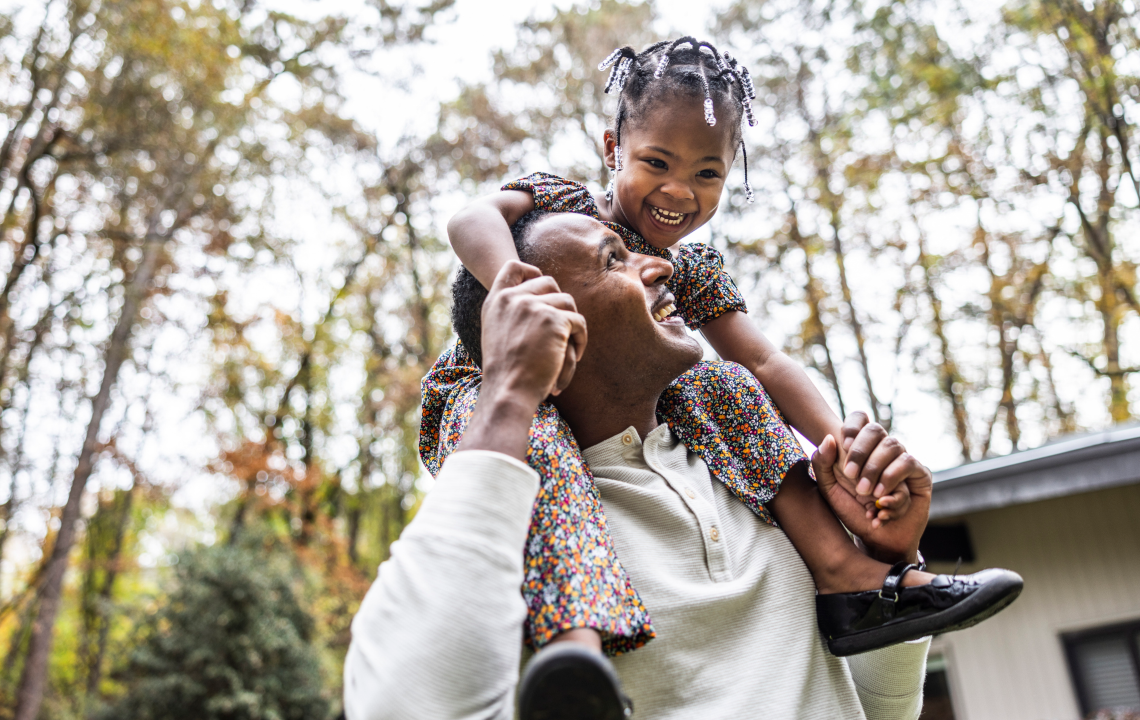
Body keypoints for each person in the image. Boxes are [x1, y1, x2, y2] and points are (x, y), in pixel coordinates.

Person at [419, 36, 1022, 715]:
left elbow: (762, 362)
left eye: (708, 174)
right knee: (542, 451)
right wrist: (520, 293)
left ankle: (846, 575)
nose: (679, 190)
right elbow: (470, 218)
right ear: (612, 149)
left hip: (663, 411)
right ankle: (575, 651)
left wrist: (846, 455)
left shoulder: (692, 271)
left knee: (728, 384)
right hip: (503, 376)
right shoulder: (563, 211)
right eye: (657, 162)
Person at [347, 213, 1021, 719]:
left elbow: (875, 712)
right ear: (543, 320)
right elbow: (399, 703)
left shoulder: (761, 480)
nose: (662, 267)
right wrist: (507, 393)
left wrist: (888, 557)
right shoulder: (511, 528)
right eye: (613, 260)